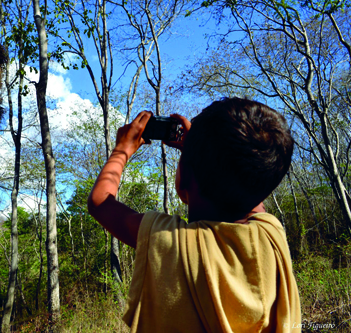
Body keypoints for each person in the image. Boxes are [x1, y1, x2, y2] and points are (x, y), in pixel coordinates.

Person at [87, 97, 301, 332]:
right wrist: (196, 153)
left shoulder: (168, 240)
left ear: (186, 177)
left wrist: (122, 149)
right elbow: (250, 182)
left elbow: (100, 202)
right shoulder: (270, 233)